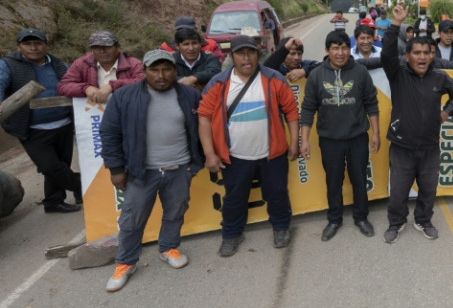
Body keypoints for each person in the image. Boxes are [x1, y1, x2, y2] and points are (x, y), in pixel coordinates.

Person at [100, 50, 203, 292]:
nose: (161, 75)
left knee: (176, 211)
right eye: (154, 70)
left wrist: (196, 163)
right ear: (144, 71)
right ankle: (126, 262)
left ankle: (168, 247)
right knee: (132, 219)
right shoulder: (124, 97)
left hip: (179, 167)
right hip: (140, 171)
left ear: (175, 71)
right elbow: (109, 133)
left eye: (166, 69)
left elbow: (202, 127)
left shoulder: (189, 95)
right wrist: (116, 169)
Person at [198, 35, 299, 256]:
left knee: (278, 193)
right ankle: (232, 234)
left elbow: (291, 111)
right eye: (240, 53)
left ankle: (281, 227)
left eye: (251, 52)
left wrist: (294, 142)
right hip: (235, 156)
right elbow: (204, 117)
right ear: (231, 56)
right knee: (234, 197)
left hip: (272, 154)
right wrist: (209, 153)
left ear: (258, 54)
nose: (246, 58)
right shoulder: (219, 83)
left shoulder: (274, 79)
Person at [381, 4, 453, 243]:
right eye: (416, 53)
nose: (421, 57)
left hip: (430, 149)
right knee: (397, 193)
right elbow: (387, 54)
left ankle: (423, 220)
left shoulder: (439, 76)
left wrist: (445, 113)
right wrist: (395, 24)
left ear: (432, 55)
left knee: (428, 190)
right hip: (401, 148)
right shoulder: (397, 74)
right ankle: (396, 223)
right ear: (407, 56)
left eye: (426, 53)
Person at [300, 30, 380, 241]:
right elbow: (308, 109)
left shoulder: (360, 71)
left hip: (357, 138)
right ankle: (334, 219)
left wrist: (376, 133)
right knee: (333, 181)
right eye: (335, 48)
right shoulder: (317, 75)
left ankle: (361, 217)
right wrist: (304, 139)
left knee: (359, 179)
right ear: (327, 50)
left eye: (344, 47)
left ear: (349, 49)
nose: (340, 52)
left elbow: (371, 103)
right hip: (329, 140)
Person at [0, 28, 81, 213]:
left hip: (64, 124)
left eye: (37, 43)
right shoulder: (7, 65)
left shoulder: (57, 64)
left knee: (61, 164)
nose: (33, 48)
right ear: (19, 46)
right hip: (32, 129)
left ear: (45, 44)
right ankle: (81, 185)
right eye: (27, 44)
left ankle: (53, 201)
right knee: (50, 167)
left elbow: (73, 82)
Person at [57, 30, 144, 103]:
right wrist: (85, 88)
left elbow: (144, 83)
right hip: (93, 118)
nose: (102, 51)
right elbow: (63, 86)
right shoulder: (81, 64)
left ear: (118, 48)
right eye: (97, 48)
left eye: (107, 47)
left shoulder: (134, 64)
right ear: (92, 50)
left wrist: (113, 86)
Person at [160, 16, 225, 63]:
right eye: (181, 30)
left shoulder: (211, 44)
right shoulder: (166, 46)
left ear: (196, 30)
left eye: (188, 30)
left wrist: (213, 58)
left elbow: (222, 64)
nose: (190, 48)